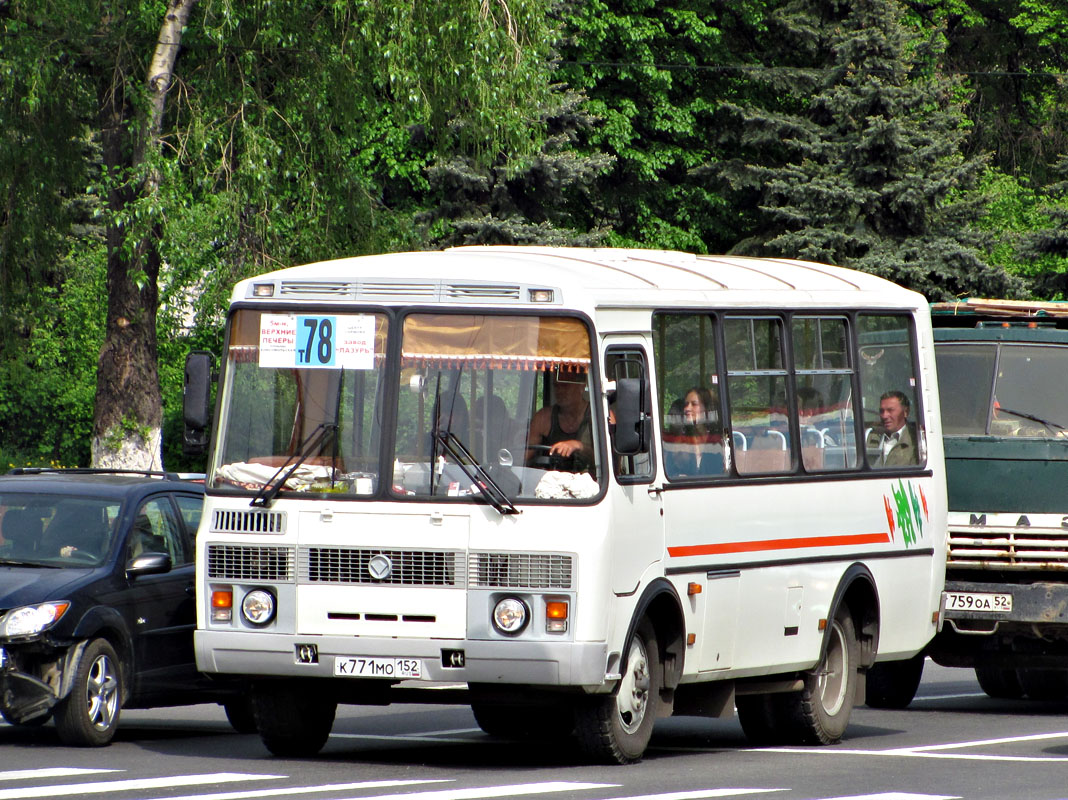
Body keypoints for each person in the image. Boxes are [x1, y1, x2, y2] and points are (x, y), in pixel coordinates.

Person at [527, 371, 593, 472]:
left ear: (581, 386)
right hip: (551, 483)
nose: (560, 391)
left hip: (592, 483)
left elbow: (611, 460)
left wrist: (579, 446)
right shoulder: (543, 418)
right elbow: (525, 455)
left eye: (565, 385)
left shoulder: (599, 417)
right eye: (556, 386)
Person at [664, 386, 723, 476]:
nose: (687, 409)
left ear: (707, 409)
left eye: (694, 404)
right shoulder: (680, 441)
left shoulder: (719, 440)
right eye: (686, 404)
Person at [866, 390, 917, 466]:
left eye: (890, 410)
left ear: (906, 412)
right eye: (882, 411)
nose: (884, 416)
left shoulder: (915, 441)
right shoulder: (870, 437)